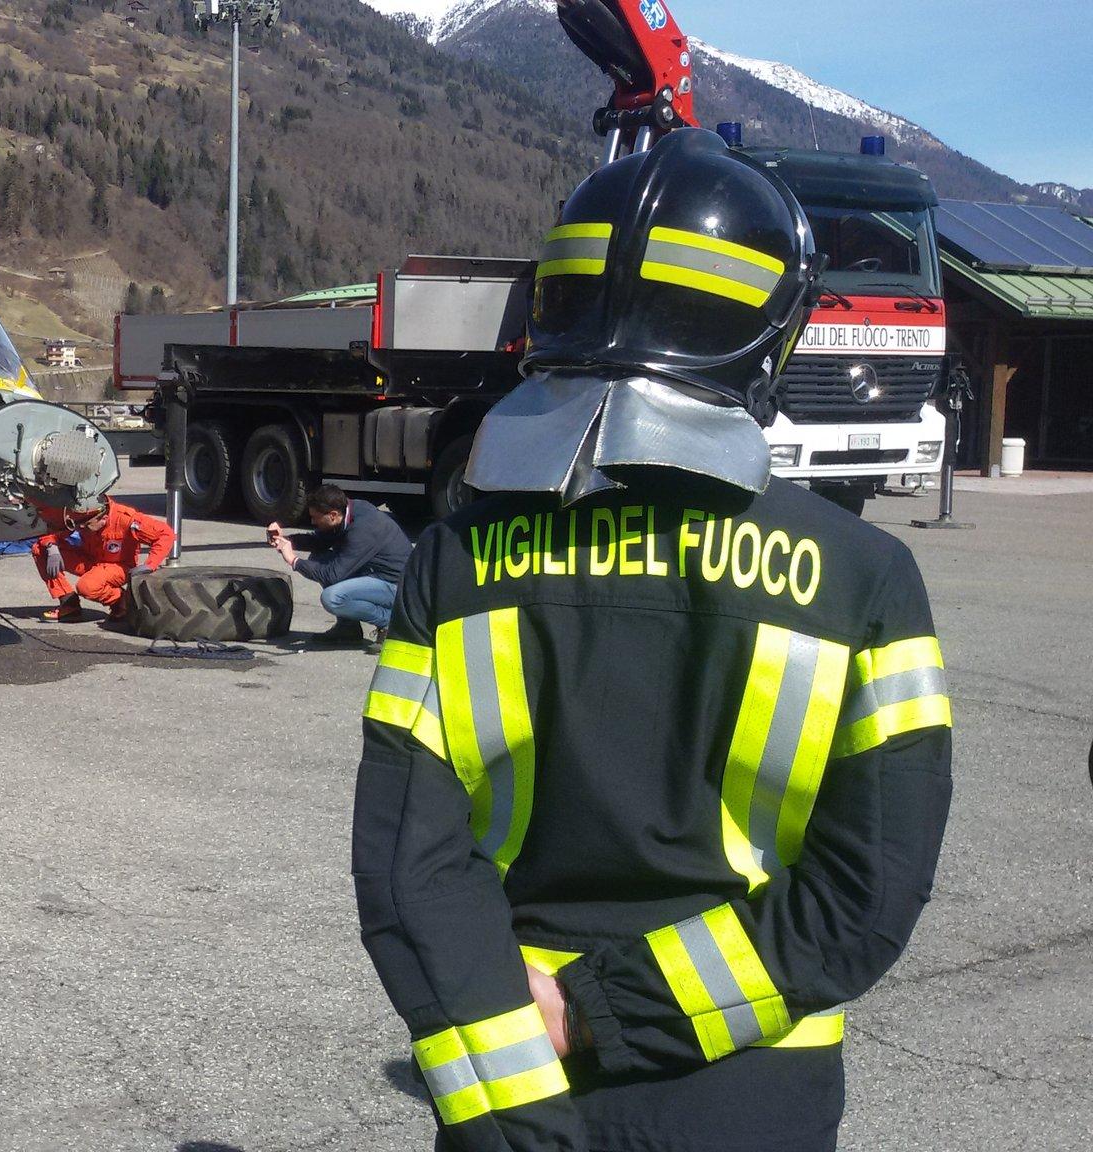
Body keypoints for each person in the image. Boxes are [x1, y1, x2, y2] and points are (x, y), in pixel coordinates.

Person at [351, 129, 951, 1152]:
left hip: (511, 1071)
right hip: (747, 1087)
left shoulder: (454, 561)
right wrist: (608, 1009)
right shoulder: (862, 578)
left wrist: (528, 1036)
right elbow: (863, 896)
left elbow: (410, 864)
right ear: (774, 332)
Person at [267, 485, 412, 648]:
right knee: (319, 558)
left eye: (315, 518)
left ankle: (392, 622)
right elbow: (319, 541)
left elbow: (333, 575)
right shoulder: (348, 512)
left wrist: (294, 561)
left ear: (333, 515)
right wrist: (284, 540)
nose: (313, 522)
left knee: (332, 598)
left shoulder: (363, 530)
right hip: (374, 574)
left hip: (397, 588)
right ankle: (347, 628)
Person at [32, 496, 175, 622]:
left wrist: (150, 564)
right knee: (40, 549)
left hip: (117, 566)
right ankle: (69, 604)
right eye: (79, 524)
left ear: (104, 518)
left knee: (87, 586)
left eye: (86, 525)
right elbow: (51, 527)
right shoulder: (80, 513)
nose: (81, 528)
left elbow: (165, 534)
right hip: (89, 559)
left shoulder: (125, 518)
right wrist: (51, 546)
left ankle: (122, 601)